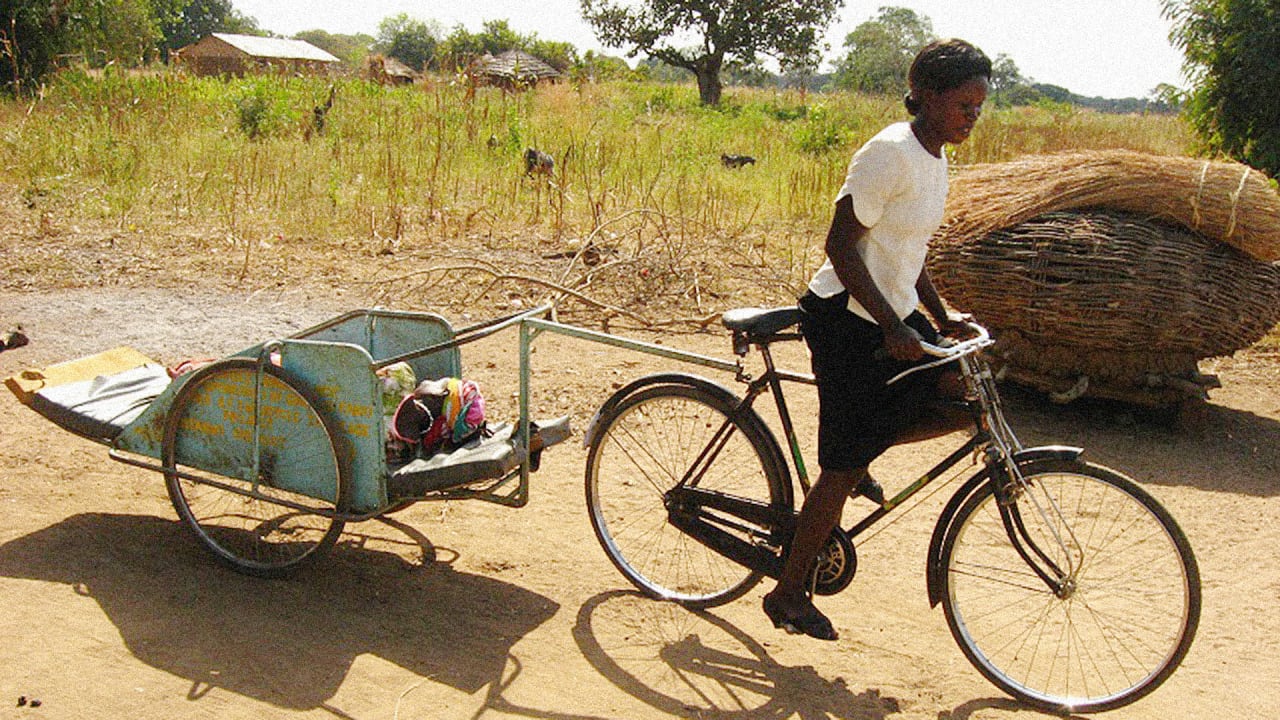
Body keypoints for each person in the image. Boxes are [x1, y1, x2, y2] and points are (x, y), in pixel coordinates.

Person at [762, 38, 992, 641]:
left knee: (954, 390)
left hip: (887, 309)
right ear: (928, 96)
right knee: (839, 467)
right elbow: (840, 245)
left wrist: (940, 319)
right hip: (844, 316)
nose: (973, 116)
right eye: (965, 104)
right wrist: (893, 326)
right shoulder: (889, 153)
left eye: (980, 106)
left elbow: (907, 253)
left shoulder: (935, 158)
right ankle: (788, 594)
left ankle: (861, 451)